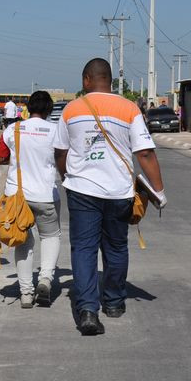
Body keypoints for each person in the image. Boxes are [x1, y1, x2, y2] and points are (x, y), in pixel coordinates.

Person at [55, 58, 166, 336]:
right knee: (116, 248)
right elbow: (145, 153)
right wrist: (159, 190)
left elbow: (60, 152)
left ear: (86, 80)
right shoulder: (129, 108)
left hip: (82, 191)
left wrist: (67, 176)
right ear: (110, 81)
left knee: (83, 249)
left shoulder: (71, 109)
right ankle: (114, 302)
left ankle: (88, 310)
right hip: (119, 192)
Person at [0, 91, 61, 308]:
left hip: (17, 196)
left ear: (28, 108)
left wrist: (16, 161)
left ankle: (26, 293)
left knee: (22, 241)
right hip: (46, 195)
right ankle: (45, 279)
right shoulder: (56, 131)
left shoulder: (14, 129)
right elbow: (64, 159)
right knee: (50, 237)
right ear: (49, 110)